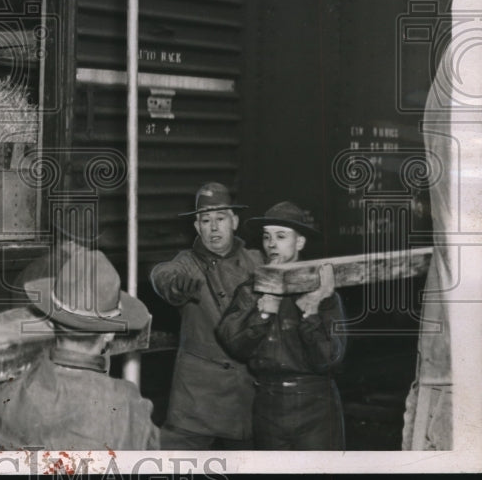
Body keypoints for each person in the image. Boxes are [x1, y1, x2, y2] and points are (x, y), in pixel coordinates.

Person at [0, 248, 160, 450]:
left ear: (52, 322)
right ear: (110, 333)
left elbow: (1, 328)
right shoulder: (127, 404)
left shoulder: (12, 396)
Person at [216, 201, 347, 450]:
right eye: (267, 237)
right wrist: (264, 313)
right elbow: (233, 345)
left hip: (316, 407)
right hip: (269, 406)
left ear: (300, 242)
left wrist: (311, 313)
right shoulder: (250, 290)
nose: (271, 244)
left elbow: (330, 359)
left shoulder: (323, 292)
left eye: (281, 236)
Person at [149, 181, 263, 449]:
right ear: (197, 227)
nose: (213, 227)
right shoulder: (187, 263)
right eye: (206, 220)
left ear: (234, 221)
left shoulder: (256, 261)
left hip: (244, 392)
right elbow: (162, 273)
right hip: (196, 397)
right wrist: (172, 284)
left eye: (220, 218)